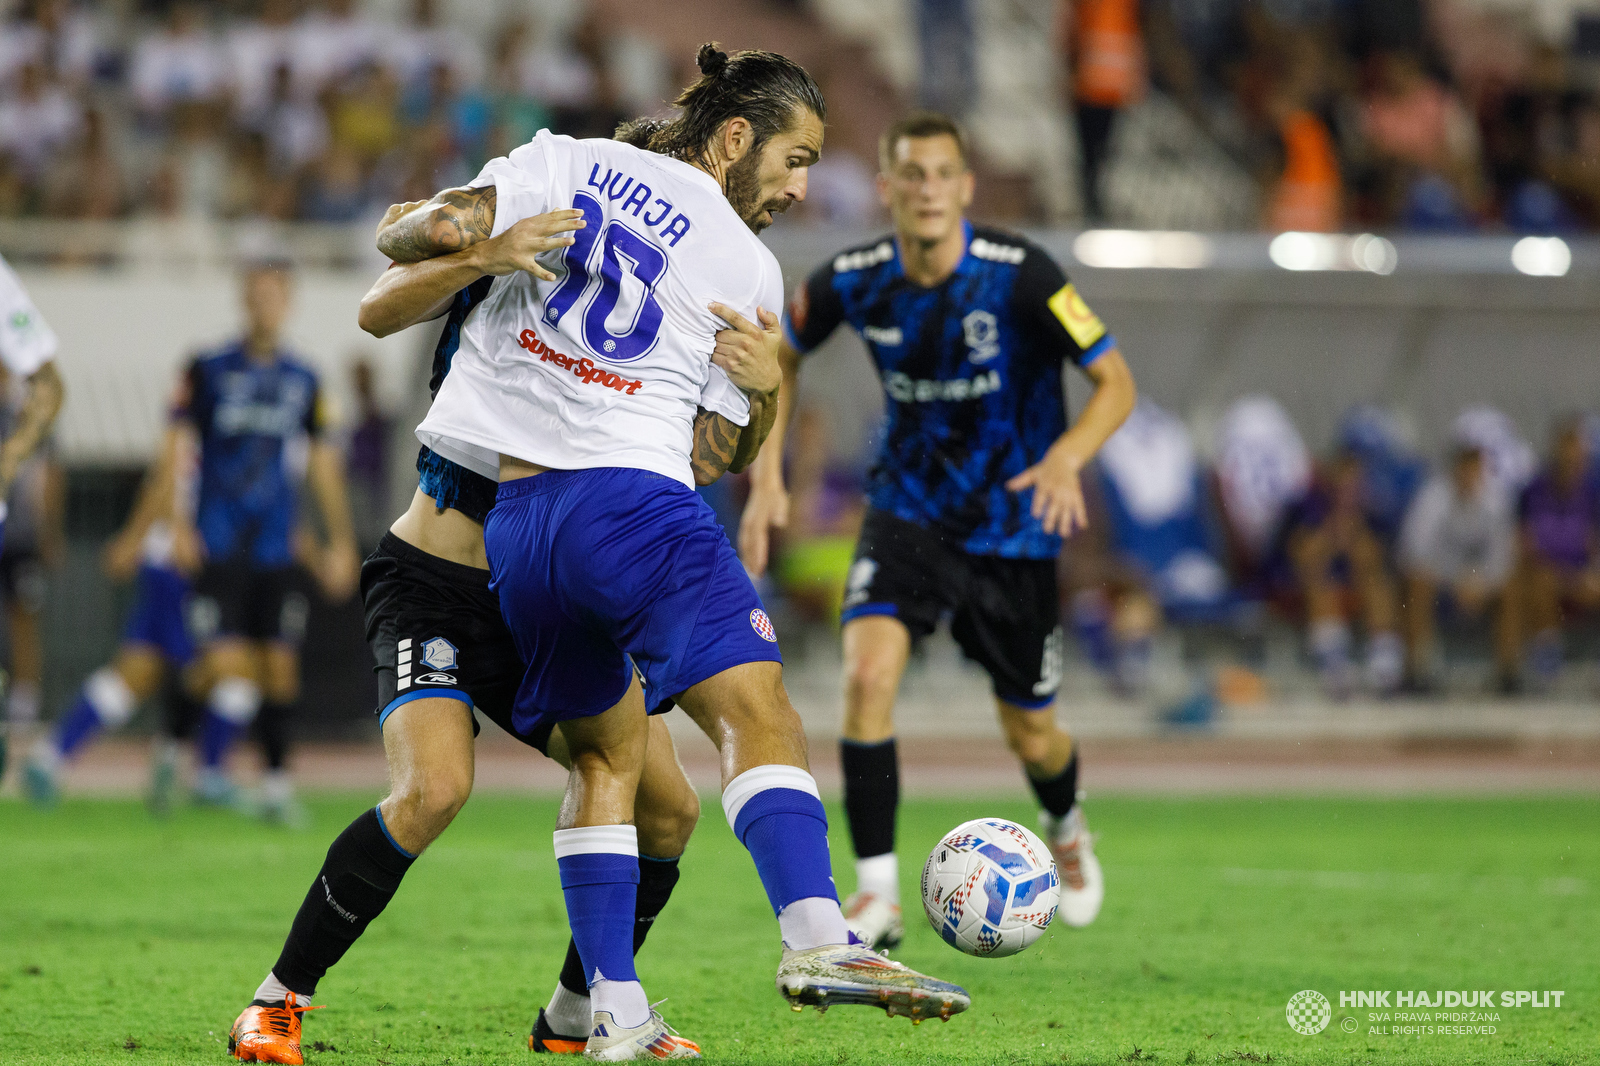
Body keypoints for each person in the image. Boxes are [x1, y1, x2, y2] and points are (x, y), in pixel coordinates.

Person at [384, 44, 969, 1060]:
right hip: (632, 506)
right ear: (734, 136)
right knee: (758, 710)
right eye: (793, 159)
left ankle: (606, 1008)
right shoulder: (744, 266)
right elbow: (709, 457)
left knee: (607, 759)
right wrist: (770, 392)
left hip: (519, 532)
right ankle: (819, 936)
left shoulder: (561, 162)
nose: (797, 186)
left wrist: (476, 241)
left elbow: (416, 232)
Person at [226, 119, 726, 1066]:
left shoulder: (658, 316)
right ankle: (276, 1001)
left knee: (669, 809)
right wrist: (485, 251)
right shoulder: (536, 231)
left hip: (550, 600)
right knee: (433, 790)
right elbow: (377, 309)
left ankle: (577, 1018)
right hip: (438, 581)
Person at [740, 111, 1137, 950]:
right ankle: (877, 894)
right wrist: (768, 472)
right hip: (907, 516)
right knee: (866, 677)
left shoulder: (1022, 274)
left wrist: (1067, 458)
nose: (925, 190)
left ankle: (1064, 826)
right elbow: (782, 353)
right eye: (909, 175)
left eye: (940, 175)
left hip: (1013, 530)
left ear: (964, 187)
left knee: (1031, 729)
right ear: (886, 188)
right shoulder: (855, 276)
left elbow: (1114, 383)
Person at [170, 259, 359, 822]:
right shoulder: (208, 369)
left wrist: (340, 541)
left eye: (275, 296)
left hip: (276, 546)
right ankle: (181, 742)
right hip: (219, 540)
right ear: (243, 300)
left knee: (279, 668)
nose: (265, 305)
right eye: (256, 295)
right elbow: (179, 448)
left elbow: (323, 464)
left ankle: (275, 787)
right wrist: (177, 524)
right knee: (228, 666)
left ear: (288, 303)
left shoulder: (305, 380)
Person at [23, 423, 198, 807]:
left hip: (173, 562)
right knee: (208, 665)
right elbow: (166, 479)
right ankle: (198, 771)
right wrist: (134, 539)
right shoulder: (209, 414)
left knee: (140, 669)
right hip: (178, 565)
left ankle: (50, 756)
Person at [0, 250, 65, 781]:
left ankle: (17, 709)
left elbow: (50, 386)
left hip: (13, 524)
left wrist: (11, 453)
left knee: (21, 611)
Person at [1397, 443, 1518, 693]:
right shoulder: (1432, 499)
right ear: (1455, 470)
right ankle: (1417, 671)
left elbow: (1504, 557)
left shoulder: (1496, 502)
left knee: (1511, 589)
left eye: (1475, 471)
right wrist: (1455, 582)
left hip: (1480, 586)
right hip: (1441, 584)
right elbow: (1413, 553)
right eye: (1465, 470)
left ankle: (1509, 673)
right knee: (1416, 585)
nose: (1469, 478)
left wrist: (1479, 582)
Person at [1515, 417, 1600, 688]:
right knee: (1540, 581)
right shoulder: (1534, 492)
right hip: (1546, 575)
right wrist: (1565, 577)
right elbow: (1526, 546)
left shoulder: (1591, 494)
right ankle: (1546, 661)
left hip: (1582, 576)